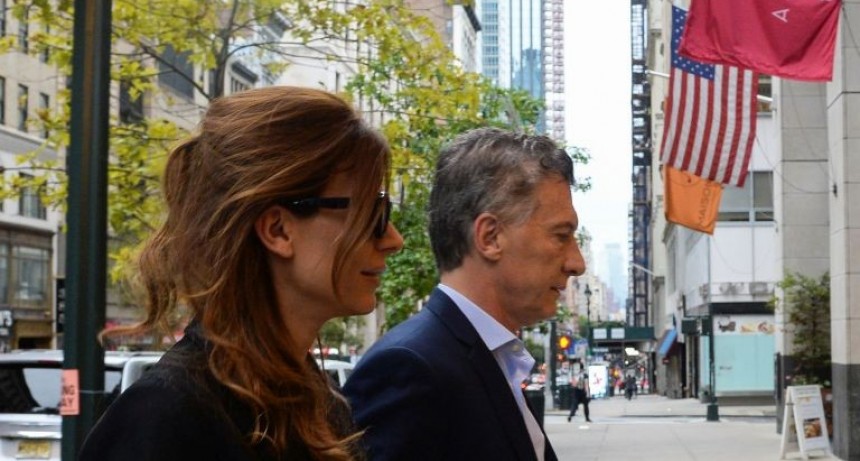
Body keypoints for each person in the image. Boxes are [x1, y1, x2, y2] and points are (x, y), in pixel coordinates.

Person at [79, 86, 404, 461]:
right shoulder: (165, 416)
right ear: (278, 230)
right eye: (371, 213)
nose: (393, 239)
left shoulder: (316, 399)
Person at [343, 128, 586, 461]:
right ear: (490, 237)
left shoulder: (488, 359)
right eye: (561, 235)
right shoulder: (409, 369)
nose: (577, 263)